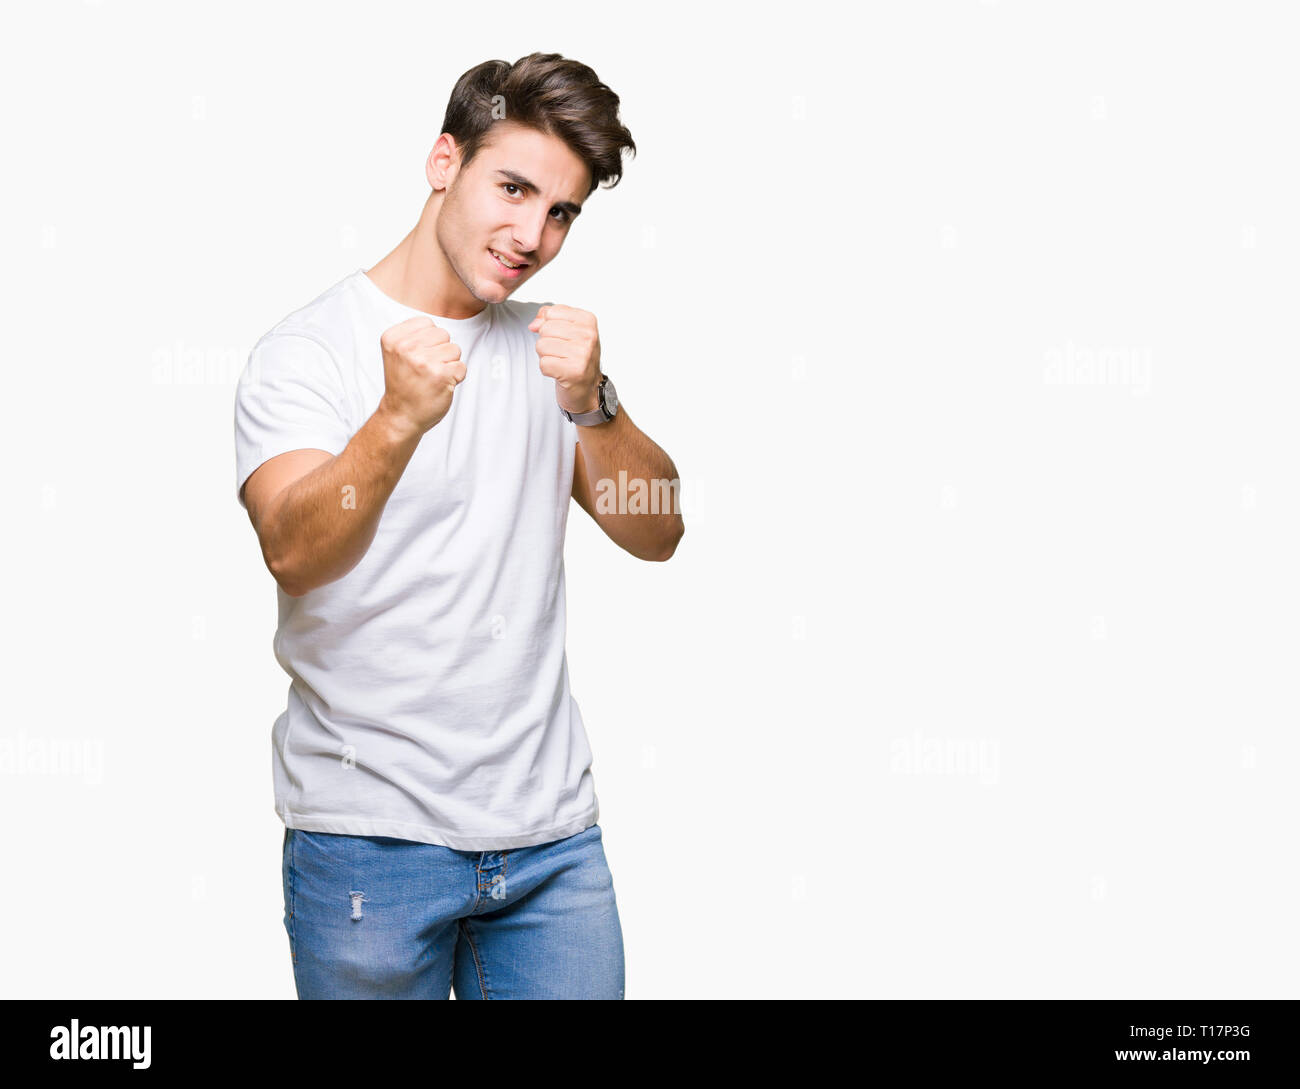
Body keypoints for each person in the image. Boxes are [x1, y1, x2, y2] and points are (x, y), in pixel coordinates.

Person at [233, 52, 684, 999]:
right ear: (445, 161)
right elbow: (295, 551)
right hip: (369, 845)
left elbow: (659, 528)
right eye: (512, 188)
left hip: (552, 846)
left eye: (561, 211)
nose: (532, 234)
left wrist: (596, 403)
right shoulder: (309, 353)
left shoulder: (550, 353)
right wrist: (395, 420)